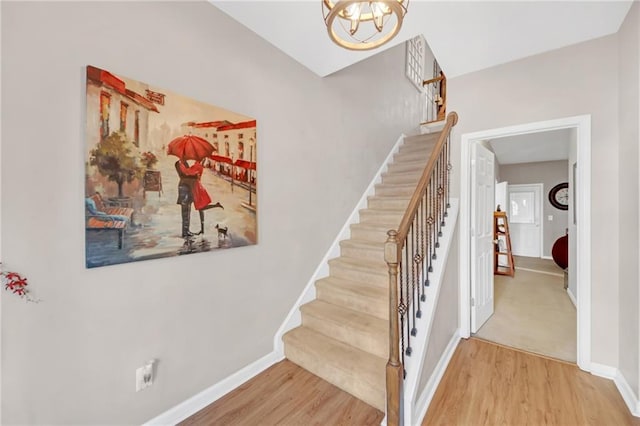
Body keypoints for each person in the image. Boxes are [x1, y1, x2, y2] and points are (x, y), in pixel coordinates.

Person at [176, 159, 223, 236]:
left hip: (190, 189)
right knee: (185, 212)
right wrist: (194, 176)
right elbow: (183, 175)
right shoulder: (178, 163)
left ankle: (187, 231)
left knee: (188, 211)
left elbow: (189, 173)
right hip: (184, 189)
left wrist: (194, 175)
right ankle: (185, 232)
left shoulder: (185, 163)